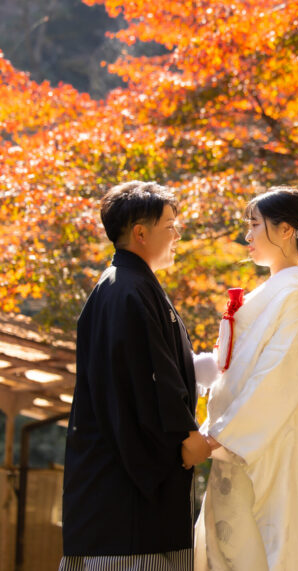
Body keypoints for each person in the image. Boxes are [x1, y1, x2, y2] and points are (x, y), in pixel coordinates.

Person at [192, 187, 298, 571]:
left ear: (285, 230)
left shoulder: (294, 294)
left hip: (262, 443)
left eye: (254, 225)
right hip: (241, 439)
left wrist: (220, 436)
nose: (247, 235)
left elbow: (279, 373)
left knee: (260, 547)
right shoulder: (277, 292)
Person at [60, 181, 211, 571]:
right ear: (141, 233)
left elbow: (157, 369)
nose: (177, 236)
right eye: (170, 226)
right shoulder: (127, 290)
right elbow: (145, 378)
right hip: (125, 495)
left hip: (118, 484)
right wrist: (184, 436)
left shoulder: (128, 285)